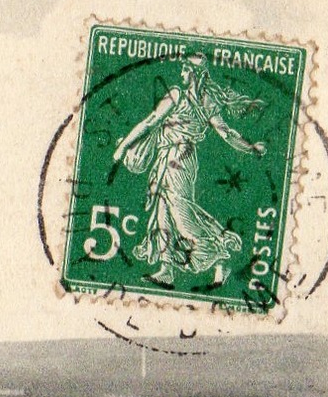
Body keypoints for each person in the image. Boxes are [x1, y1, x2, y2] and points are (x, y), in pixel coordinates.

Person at [112, 54, 267, 288]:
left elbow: (152, 122)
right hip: (167, 156)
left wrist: (251, 148)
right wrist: (252, 148)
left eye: (185, 69)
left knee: (180, 211)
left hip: (180, 159)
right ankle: (166, 269)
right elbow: (152, 120)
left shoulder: (193, 99)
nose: (182, 74)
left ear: (195, 73)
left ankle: (219, 254)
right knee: (161, 210)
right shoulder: (192, 98)